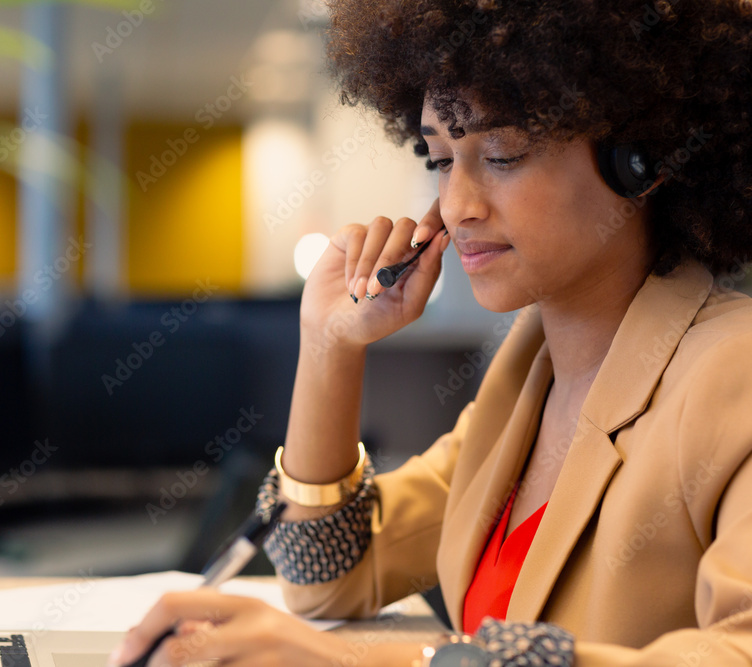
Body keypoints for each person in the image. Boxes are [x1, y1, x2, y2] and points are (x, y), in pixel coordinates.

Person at [108, 0, 752, 664]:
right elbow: (323, 576)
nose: (457, 206)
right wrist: (331, 345)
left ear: (640, 161)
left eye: (501, 154)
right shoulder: (524, 381)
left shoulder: (734, 374)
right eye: (440, 158)